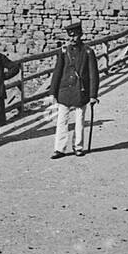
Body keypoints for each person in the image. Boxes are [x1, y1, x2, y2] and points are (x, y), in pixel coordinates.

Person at [49, 21, 99, 158]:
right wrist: (53, 92)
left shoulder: (88, 52)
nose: (72, 38)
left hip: (80, 91)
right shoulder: (64, 51)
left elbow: (93, 75)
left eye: (75, 35)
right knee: (62, 121)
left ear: (81, 35)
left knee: (80, 121)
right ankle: (59, 149)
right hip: (64, 91)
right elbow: (57, 72)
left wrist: (93, 95)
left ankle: (78, 147)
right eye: (70, 36)